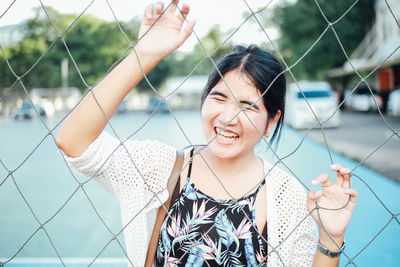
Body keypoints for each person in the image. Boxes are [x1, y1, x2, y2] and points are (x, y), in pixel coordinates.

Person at [56, 1, 357, 266]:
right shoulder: (159, 167)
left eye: (248, 106)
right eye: (219, 98)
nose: (227, 118)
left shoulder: (286, 196)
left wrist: (331, 237)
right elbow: (73, 142)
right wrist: (143, 55)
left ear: (272, 121)